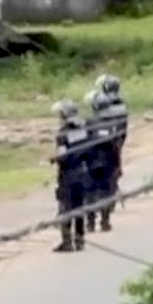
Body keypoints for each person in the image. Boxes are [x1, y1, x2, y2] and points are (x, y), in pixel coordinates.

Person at [50, 99, 92, 252]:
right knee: (79, 207)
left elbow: (63, 155)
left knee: (65, 207)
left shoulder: (63, 133)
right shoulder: (85, 129)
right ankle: (80, 241)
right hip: (84, 171)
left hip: (68, 174)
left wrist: (53, 159)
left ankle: (67, 242)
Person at [85, 90, 122, 232]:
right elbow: (116, 145)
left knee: (90, 193)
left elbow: (85, 143)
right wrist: (118, 165)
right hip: (109, 162)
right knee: (107, 192)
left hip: (92, 162)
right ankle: (105, 221)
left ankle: (90, 223)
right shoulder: (114, 123)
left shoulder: (89, 122)